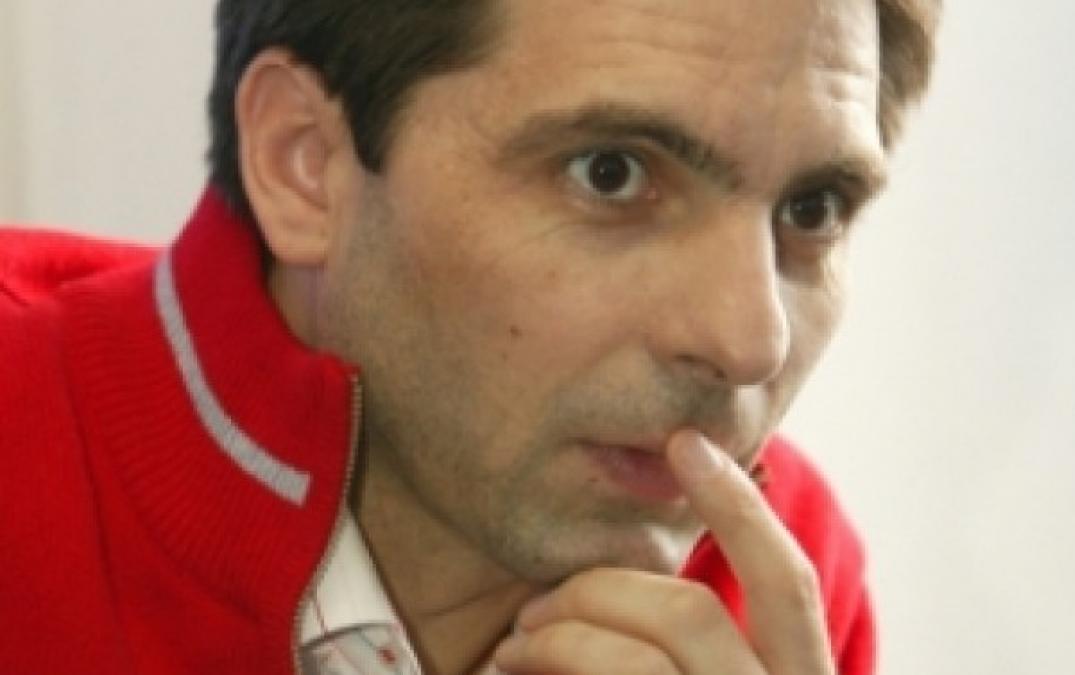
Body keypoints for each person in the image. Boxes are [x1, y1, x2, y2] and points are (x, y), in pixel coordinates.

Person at [0, 0, 939, 673]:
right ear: (303, 164)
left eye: (812, 208)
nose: (750, 341)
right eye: (610, 174)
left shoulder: (780, 585)